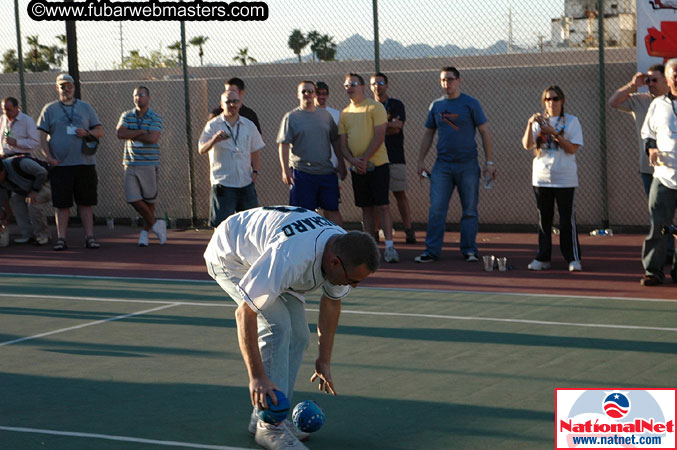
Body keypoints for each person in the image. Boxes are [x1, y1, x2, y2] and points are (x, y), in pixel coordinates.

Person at [204, 205, 380, 450]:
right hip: (231, 255)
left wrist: (324, 360)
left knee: (298, 335)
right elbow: (245, 312)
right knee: (278, 325)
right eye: (353, 281)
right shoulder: (292, 256)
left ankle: (265, 414)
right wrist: (257, 378)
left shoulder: (342, 250)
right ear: (334, 263)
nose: (355, 287)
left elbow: (331, 303)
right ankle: (271, 427)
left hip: (266, 253)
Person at [415, 67, 496, 263]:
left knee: (469, 210)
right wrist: (420, 161)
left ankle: (469, 250)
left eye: (450, 79)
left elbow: (484, 132)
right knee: (436, 209)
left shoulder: (471, 104)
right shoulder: (436, 106)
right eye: (443, 80)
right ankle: (431, 251)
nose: (446, 84)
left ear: (459, 80)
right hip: (442, 166)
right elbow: (428, 134)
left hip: (468, 165)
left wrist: (489, 162)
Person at [608, 65, 674, 260]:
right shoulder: (640, 101)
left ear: (667, 81)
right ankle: (664, 255)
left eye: (655, 80)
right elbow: (613, 102)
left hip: (674, 169)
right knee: (659, 217)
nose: (650, 84)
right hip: (650, 170)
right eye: (648, 80)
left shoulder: (673, 104)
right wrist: (632, 85)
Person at [37, 73, 104, 251]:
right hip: (61, 165)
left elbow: (99, 131)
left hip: (84, 164)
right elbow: (42, 136)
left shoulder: (86, 107)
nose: (66, 89)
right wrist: (48, 157)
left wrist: (87, 133)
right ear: (57, 87)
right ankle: (61, 239)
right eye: (62, 86)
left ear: (74, 87)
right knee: (61, 204)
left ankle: (90, 237)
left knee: (86, 202)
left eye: (69, 86)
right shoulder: (49, 109)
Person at [522, 85, 584, 272]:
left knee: (566, 220)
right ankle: (543, 257)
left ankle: (573, 258)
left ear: (562, 101)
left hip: (564, 178)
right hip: (542, 178)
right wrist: (529, 123)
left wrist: (555, 134)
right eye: (548, 99)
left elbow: (572, 148)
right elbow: (527, 145)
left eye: (555, 99)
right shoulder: (539, 122)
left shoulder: (572, 121)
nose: (552, 103)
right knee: (544, 219)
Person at [338, 73, 399, 263]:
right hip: (358, 169)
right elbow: (342, 144)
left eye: (353, 84)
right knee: (366, 208)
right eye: (346, 85)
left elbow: (380, 135)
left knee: (383, 205)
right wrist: (352, 161)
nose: (349, 87)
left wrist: (364, 159)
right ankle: (370, 248)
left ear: (363, 87)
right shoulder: (345, 113)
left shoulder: (375, 107)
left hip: (378, 165)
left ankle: (389, 248)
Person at [277, 81, 345, 225]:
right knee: (302, 214)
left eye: (310, 91)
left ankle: (339, 243)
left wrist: (341, 164)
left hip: (326, 172)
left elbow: (336, 141)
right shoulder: (291, 117)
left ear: (315, 94)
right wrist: (285, 170)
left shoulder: (326, 116)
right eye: (304, 92)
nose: (307, 94)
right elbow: (283, 144)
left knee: (332, 210)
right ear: (298, 95)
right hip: (302, 174)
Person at [199, 90, 263, 228]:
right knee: (221, 227)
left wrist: (255, 172)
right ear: (222, 104)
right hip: (223, 183)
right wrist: (214, 140)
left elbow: (256, 150)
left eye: (235, 101)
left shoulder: (249, 125)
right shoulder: (213, 125)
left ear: (240, 104)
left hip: (245, 182)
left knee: (250, 225)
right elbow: (201, 149)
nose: (232, 104)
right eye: (228, 101)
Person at [639, 58, 677, 286]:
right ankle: (653, 270)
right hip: (664, 177)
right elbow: (648, 133)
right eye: (674, 74)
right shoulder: (658, 104)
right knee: (658, 225)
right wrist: (651, 148)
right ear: (669, 78)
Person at [116, 86, 166, 247]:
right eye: (136, 95)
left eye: (142, 95)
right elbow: (120, 133)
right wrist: (140, 131)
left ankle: (144, 233)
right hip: (130, 163)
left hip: (149, 164)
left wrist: (132, 132)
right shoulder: (127, 115)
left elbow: (153, 138)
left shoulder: (155, 117)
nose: (138, 98)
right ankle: (157, 224)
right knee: (133, 199)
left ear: (148, 97)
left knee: (149, 200)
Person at [370, 72, 416, 244]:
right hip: (373, 157)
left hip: (395, 156)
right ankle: (373, 233)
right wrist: (384, 128)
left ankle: (409, 229)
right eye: (374, 83)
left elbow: (397, 127)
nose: (377, 86)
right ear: (370, 86)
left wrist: (377, 127)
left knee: (399, 193)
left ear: (387, 85)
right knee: (375, 198)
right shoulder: (368, 106)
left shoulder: (396, 104)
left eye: (380, 83)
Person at [0, 96, 41, 243]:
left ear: (17, 108)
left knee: (21, 196)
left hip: (20, 161)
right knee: (6, 197)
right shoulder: (2, 119)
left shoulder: (27, 121)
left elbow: (35, 142)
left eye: (9, 110)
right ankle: (11, 230)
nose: (6, 112)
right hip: (3, 160)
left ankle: (33, 232)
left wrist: (16, 142)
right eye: (4, 109)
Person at [0, 156, 51, 245]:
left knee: (33, 202)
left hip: (47, 184)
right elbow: (4, 199)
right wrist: (5, 213)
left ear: (2, 170)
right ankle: (28, 234)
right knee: (15, 200)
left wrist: (35, 190)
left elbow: (42, 172)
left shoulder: (20, 163)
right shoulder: (2, 179)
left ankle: (43, 235)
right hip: (27, 189)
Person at [315, 81, 345, 224]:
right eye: (318, 93)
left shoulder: (336, 115)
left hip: (331, 169)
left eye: (324, 93)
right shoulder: (302, 114)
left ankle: (338, 239)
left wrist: (341, 164)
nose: (321, 96)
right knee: (310, 210)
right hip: (309, 170)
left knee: (331, 208)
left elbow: (340, 142)